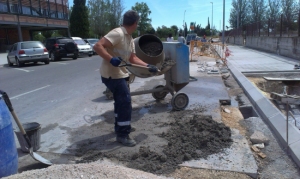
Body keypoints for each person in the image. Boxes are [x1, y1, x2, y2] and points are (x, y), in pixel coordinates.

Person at [93, 10, 158, 147]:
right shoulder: (118, 33)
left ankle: (120, 127)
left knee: (121, 102)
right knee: (125, 102)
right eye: (137, 23)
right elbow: (98, 46)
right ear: (135, 23)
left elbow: (133, 58)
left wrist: (148, 65)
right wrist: (111, 59)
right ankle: (122, 134)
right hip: (111, 75)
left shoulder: (129, 38)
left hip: (121, 74)